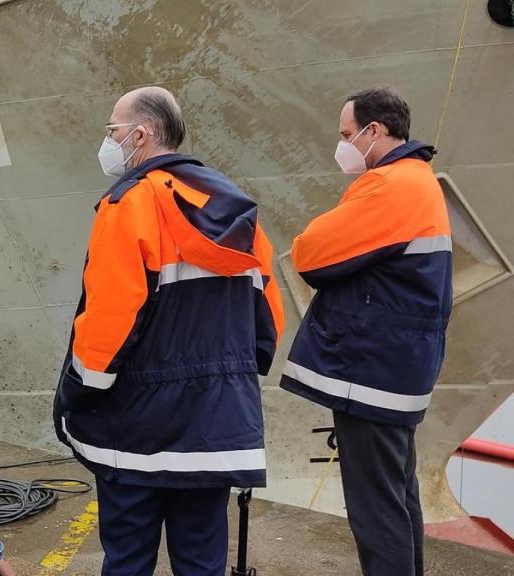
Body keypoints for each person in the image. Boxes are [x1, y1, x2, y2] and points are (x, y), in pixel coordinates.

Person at [52, 86, 285, 576]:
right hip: (213, 426)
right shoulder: (237, 208)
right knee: (202, 561)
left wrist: (77, 393)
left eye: (112, 130)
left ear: (140, 134)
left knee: (128, 559)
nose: (108, 141)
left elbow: (109, 320)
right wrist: (230, 385)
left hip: (136, 429)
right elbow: (268, 318)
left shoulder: (129, 204)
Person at [280, 86, 452, 576]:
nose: (343, 146)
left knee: (375, 507)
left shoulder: (389, 185)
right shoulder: (420, 181)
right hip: (400, 368)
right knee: (398, 495)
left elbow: (309, 253)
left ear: (375, 131)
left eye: (347, 134)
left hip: (372, 371)